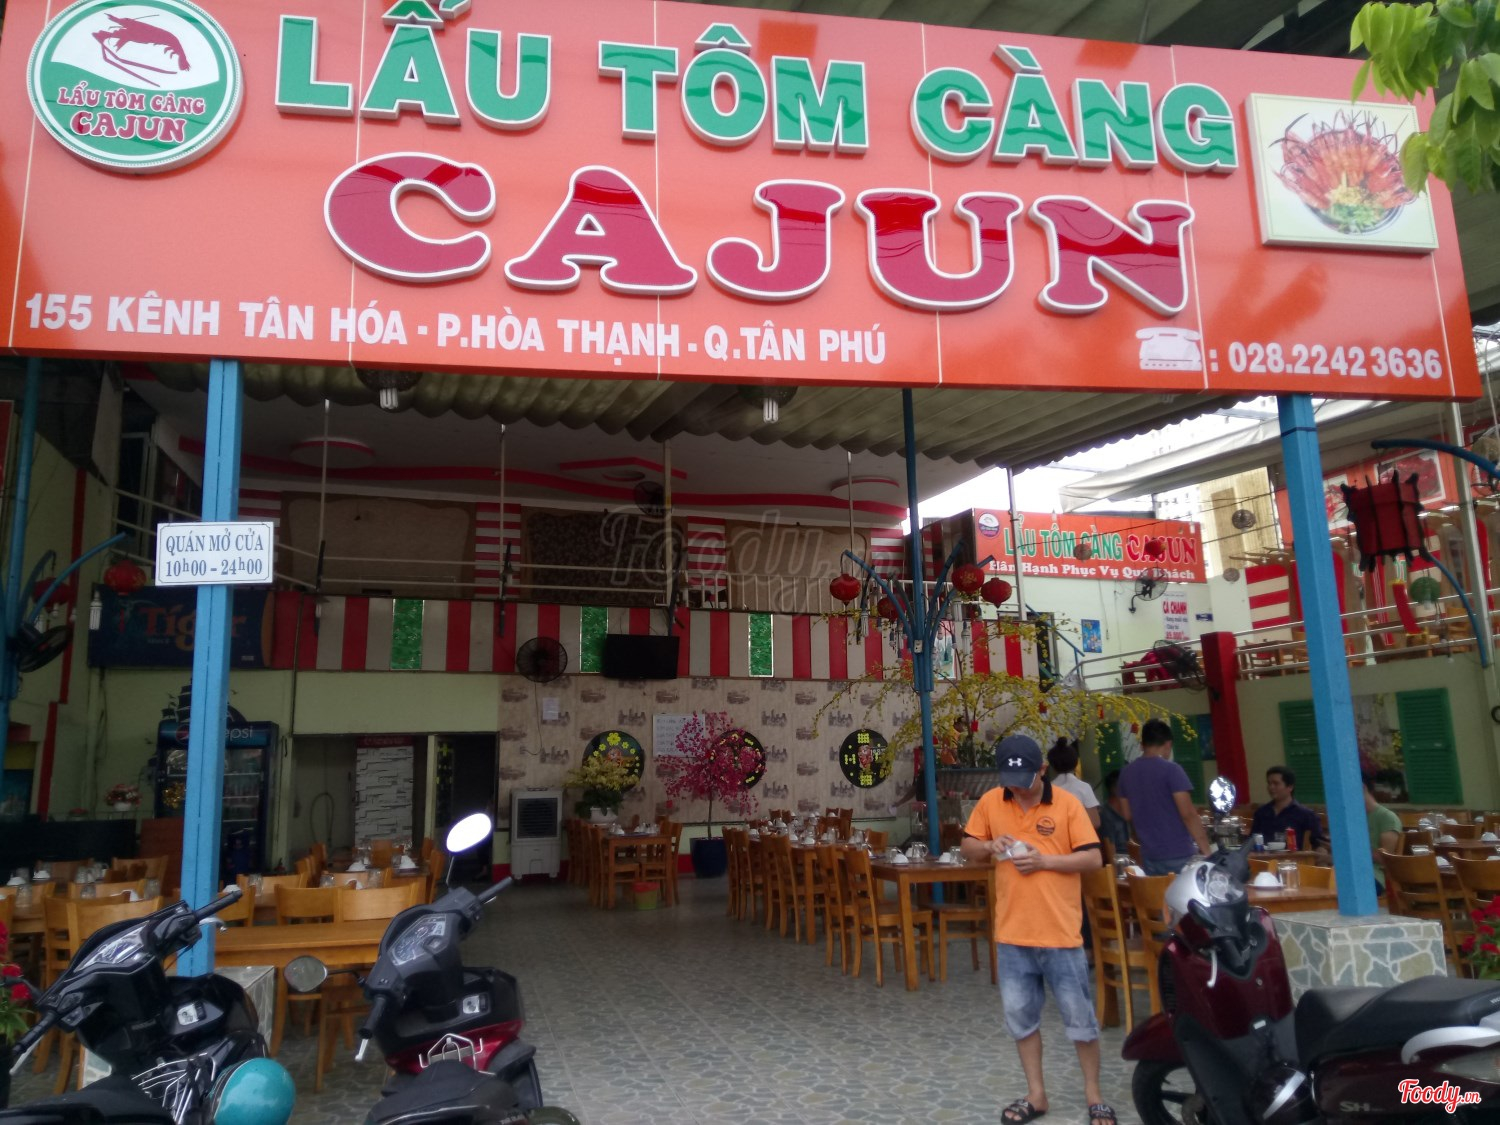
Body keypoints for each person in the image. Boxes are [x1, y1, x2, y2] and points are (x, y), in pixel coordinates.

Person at [961, 735, 1114, 1125]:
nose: (1017, 788)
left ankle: (1094, 1096)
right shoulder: (992, 801)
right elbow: (968, 847)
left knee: (1080, 1021)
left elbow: (1093, 858)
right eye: (1010, 781)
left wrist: (1045, 861)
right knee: (1021, 1019)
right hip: (1012, 935)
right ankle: (1036, 1094)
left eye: (1024, 780)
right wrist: (989, 846)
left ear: (1042, 770)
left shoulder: (1067, 804)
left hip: (1060, 934)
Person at [1116, 718, 1211, 875]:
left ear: (1142, 745)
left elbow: (1126, 814)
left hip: (1148, 853)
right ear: (1168, 744)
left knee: (1157, 891)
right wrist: (1206, 851)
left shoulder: (1126, 773)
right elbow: (1188, 815)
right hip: (1178, 851)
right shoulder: (1172, 770)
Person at [1249, 765, 1323, 851]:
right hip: (1263, 857)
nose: (1271, 787)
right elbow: (1252, 840)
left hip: (1294, 857)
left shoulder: (1306, 815)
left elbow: (1319, 844)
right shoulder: (1261, 812)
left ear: (1290, 787)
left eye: (1276, 783)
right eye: (1269, 783)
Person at [1047, 738, 1101, 830]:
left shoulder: (1047, 790)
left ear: (1052, 765)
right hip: (1080, 835)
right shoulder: (1083, 787)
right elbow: (1095, 822)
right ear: (1076, 763)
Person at [1364, 773, 1402, 895]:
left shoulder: (1386, 818)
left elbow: (1386, 858)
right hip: (1347, 871)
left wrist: (1355, 851)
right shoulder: (1351, 818)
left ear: (1362, 788)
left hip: (1375, 875)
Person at [1097, 769, 1131, 855]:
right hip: (1121, 860)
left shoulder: (1130, 810)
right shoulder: (1105, 815)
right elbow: (1111, 853)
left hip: (1136, 857)